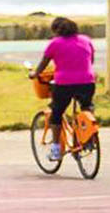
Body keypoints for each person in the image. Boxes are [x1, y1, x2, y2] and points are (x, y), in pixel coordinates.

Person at [29, 17, 97, 161]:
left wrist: (35, 74)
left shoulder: (55, 43)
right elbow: (91, 60)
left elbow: (43, 63)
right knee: (86, 107)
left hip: (64, 83)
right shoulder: (86, 40)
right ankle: (88, 138)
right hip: (87, 81)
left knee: (57, 113)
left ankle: (56, 149)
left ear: (56, 30)